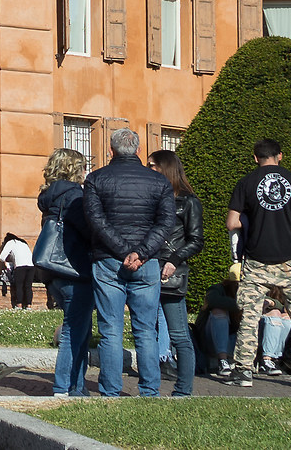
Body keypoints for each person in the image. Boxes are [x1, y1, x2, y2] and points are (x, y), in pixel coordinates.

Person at [81, 128, 176, 400]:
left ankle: (111, 391)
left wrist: (125, 251)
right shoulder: (159, 181)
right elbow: (166, 223)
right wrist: (141, 252)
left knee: (110, 329)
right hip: (146, 262)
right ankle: (149, 390)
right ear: (139, 150)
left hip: (109, 259)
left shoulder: (96, 179)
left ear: (110, 151)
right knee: (146, 330)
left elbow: (96, 221)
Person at [221, 138, 291, 388]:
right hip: (290, 259)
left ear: (255, 158)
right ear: (280, 155)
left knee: (249, 317)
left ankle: (243, 372)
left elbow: (231, 223)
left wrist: (250, 220)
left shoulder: (246, 183)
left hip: (257, 259)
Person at [36, 148, 90, 399]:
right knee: (73, 331)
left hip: (53, 271)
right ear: (74, 169)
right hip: (74, 270)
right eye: (83, 167)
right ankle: (63, 387)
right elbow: (87, 230)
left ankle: (78, 387)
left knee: (80, 330)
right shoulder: (74, 195)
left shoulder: (48, 196)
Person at [148, 150, 202, 398]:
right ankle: (149, 388)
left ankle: (183, 389)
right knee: (145, 331)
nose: (148, 169)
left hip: (171, 272)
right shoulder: (151, 197)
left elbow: (196, 240)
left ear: (165, 167)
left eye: (152, 165)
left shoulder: (188, 201)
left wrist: (174, 259)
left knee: (179, 333)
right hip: (147, 268)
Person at [0, 230, 33, 310]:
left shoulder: (11, 243)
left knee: (19, 285)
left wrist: (7, 262)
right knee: (28, 286)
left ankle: (19, 305)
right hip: (31, 266)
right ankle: (29, 306)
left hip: (20, 266)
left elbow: (1, 257)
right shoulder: (23, 243)